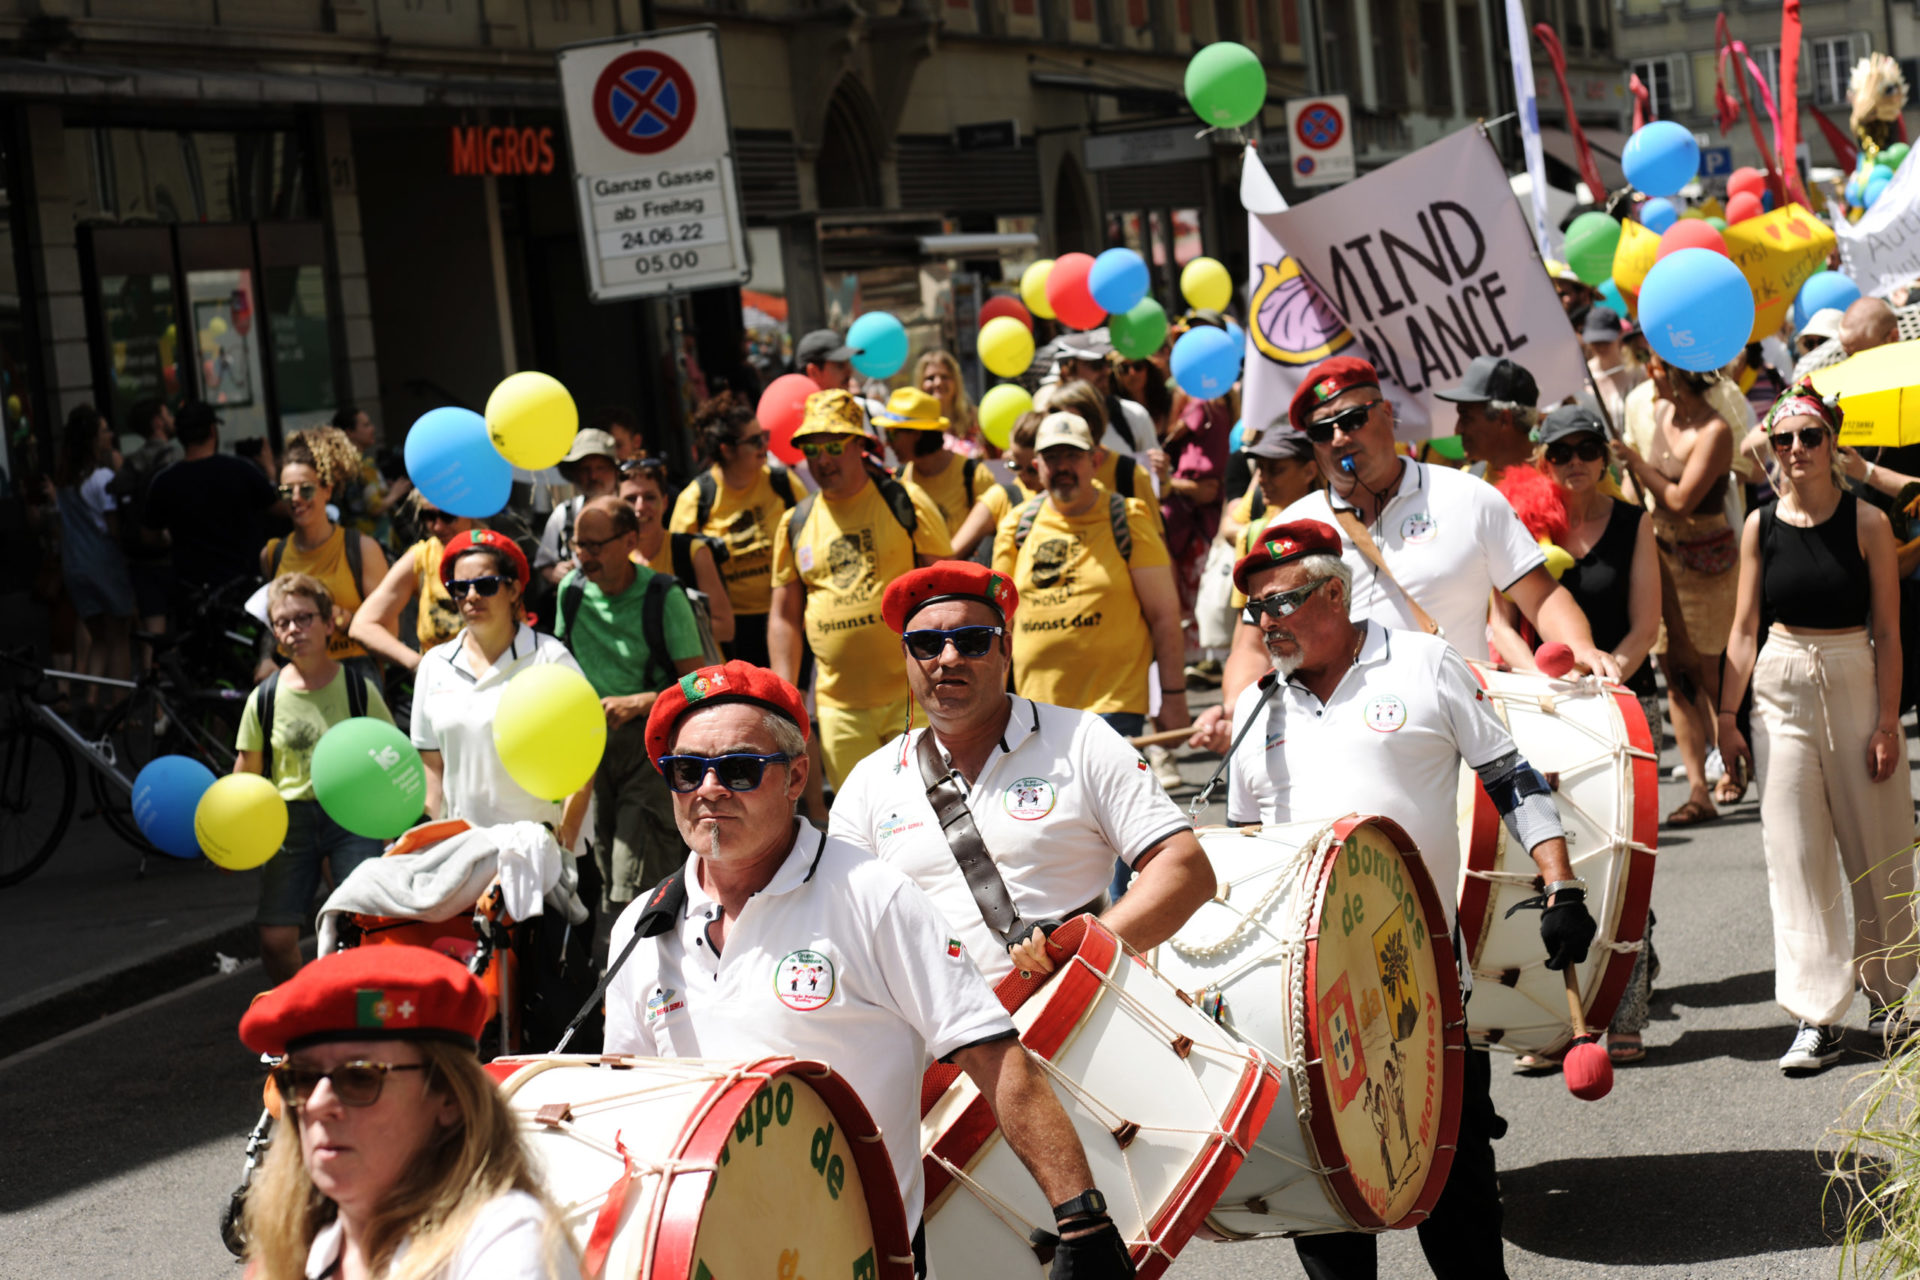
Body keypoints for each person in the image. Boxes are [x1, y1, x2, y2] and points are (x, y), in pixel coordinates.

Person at [603, 663, 1136, 1278]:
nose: (710, 789)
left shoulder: (874, 897)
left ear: (795, 777)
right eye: (686, 770)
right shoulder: (640, 927)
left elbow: (995, 1058)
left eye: (740, 769)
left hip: (855, 1259)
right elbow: (625, 1102)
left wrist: (1082, 1219)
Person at [1224, 519, 1594, 1280]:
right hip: (1312, 998)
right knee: (1327, 1204)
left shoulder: (1424, 663)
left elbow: (1511, 778)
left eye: (1280, 602)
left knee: (1455, 1195)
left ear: (1334, 594)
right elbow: (1242, 853)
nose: (1266, 623)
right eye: (1255, 610)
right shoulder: (1258, 711)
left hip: (1420, 978)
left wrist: (1562, 884)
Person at [1191, 355, 1621, 754]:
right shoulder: (1287, 530)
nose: (1339, 437)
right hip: (1329, 749)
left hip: (1452, 742)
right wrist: (1235, 711)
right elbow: (1252, 646)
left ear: (1386, 413)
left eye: (1352, 419)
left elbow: (1542, 596)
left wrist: (1580, 649)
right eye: (1322, 431)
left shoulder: (1469, 497)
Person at [830, 561, 1214, 982]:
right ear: (906, 656)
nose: (949, 657)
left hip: (1076, 1009)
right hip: (930, 1022)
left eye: (973, 640)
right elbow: (839, 919)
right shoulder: (868, 781)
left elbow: (1184, 868)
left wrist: (1083, 959)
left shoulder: (1082, 740)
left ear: (1006, 649)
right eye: (926, 644)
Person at [1717, 384, 1915, 1073]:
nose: (1797, 449)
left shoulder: (1869, 523)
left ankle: (1889, 998)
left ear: (1833, 443)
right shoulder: (1759, 525)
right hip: (1780, 684)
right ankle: (1817, 1016)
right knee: (1795, 852)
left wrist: (1888, 722)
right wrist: (1726, 716)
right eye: (1784, 439)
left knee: (1879, 842)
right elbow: (1744, 629)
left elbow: (1888, 631)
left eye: (1810, 436)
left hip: (1854, 674)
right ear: (1772, 449)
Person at [237, 945, 582, 1280]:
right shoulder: (293, 1251)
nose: (317, 1104)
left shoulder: (504, 1243)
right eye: (302, 1078)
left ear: (450, 1097)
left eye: (359, 1077)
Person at [1535, 404, 1663, 1065]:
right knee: (1556, 865)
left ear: (1604, 457)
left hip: (1624, 705)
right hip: (1547, 711)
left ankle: (1627, 1009)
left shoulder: (1635, 523)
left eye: (1588, 448)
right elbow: (1503, 619)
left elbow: (1646, 626)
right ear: (1543, 461)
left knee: (1624, 865)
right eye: (1561, 452)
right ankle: (1557, 1020)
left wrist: (1610, 674)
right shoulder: (1526, 524)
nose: (1576, 461)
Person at [768, 389, 952, 789]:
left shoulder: (906, 502)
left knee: (935, 806)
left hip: (914, 695)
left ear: (859, 445)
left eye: (834, 446)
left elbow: (947, 588)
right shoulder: (795, 522)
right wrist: (786, 693)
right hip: (840, 710)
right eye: (812, 450)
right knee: (859, 818)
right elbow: (784, 615)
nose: (823, 459)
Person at [555, 497, 707, 945]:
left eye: (595, 546)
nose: (584, 556)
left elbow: (698, 685)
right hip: (588, 749)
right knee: (602, 863)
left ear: (629, 541)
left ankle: (642, 961)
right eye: (577, 545)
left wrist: (641, 702)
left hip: (649, 746)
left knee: (635, 867)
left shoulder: (664, 595)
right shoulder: (572, 592)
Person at [235, 572, 396, 984]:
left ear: (328, 624)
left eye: (304, 618)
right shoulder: (264, 697)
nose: (294, 629)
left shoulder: (358, 689)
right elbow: (245, 776)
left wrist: (391, 830)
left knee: (362, 924)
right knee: (275, 939)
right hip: (289, 823)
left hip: (352, 819)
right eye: (283, 622)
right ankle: (304, 1009)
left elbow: (391, 759)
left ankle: (357, 1009)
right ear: (275, 634)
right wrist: (234, 838)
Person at [992, 411, 1188, 737]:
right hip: (1035, 710)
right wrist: (990, 707)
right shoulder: (1016, 525)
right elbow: (999, 622)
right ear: (1037, 465)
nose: (1062, 467)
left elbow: (1165, 616)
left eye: (1073, 455)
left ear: (1095, 461)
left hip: (1114, 706)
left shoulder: (1128, 518)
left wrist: (1173, 696)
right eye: (1052, 458)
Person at [1615, 355, 1740, 824]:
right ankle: (1697, 790)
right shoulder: (1661, 412)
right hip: (1660, 555)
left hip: (1707, 562)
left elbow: (1681, 499)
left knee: (1711, 673)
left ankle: (1734, 763)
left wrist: (1634, 461)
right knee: (1675, 675)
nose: (1648, 374)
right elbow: (1648, 495)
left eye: (1655, 366)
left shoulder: (1715, 430)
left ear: (1678, 374)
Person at [410, 528, 592, 846]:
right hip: (463, 849)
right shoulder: (433, 664)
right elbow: (431, 767)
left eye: (486, 585)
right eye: (459, 588)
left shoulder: (551, 659)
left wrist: (564, 843)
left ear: (514, 590)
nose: (471, 596)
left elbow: (583, 761)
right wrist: (426, 840)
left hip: (539, 849)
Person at [668, 391, 800, 666]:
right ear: (726, 450)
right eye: (753, 441)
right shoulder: (696, 499)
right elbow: (677, 569)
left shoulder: (783, 483)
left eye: (763, 436)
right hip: (732, 632)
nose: (763, 446)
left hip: (788, 615)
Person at [262, 428, 389, 683]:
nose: (296, 499)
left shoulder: (361, 549)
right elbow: (271, 623)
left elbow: (388, 635)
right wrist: (265, 658)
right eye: (286, 491)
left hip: (352, 675)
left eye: (306, 490)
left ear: (327, 490)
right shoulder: (273, 553)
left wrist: (336, 616)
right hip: (296, 678)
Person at [143, 401, 281, 605]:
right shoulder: (242, 470)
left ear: (180, 436)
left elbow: (149, 536)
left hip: (193, 592)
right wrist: (271, 473)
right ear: (212, 431)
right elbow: (280, 508)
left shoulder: (163, 482)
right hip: (245, 588)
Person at [51, 404, 136, 715]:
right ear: (91, 440)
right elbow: (113, 528)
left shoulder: (64, 483)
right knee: (119, 639)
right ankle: (120, 710)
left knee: (99, 637)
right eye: (103, 431)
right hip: (104, 564)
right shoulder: (102, 478)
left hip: (75, 566)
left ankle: (91, 699)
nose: (109, 435)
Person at [349, 495, 476, 674]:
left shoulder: (497, 552)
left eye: (448, 516)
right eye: (428, 516)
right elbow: (362, 626)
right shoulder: (421, 557)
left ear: (470, 510)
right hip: (443, 684)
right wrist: (420, 666)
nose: (438, 526)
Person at [620, 456, 735, 645]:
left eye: (650, 497)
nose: (640, 507)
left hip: (697, 665)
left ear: (665, 502)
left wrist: (660, 629)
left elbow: (725, 628)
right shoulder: (617, 559)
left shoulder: (693, 552)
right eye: (630, 499)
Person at [877, 386, 998, 536]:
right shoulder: (898, 478)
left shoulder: (975, 475)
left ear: (917, 433)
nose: (887, 443)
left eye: (892, 434)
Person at [110, 397, 181, 647]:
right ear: (157, 422)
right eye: (167, 414)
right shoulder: (173, 456)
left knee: (153, 629)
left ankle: (153, 669)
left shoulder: (131, 462)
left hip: (141, 558)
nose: (172, 419)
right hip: (171, 554)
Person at [950, 411, 1044, 560]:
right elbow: (952, 555)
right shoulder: (1000, 497)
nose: (1023, 476)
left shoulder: (1069, 500)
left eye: (1033, 470)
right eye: (1015, 465)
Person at [535, 428, 621, 587]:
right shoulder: (564, 514)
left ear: (615, 471)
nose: (593, 476)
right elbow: (543, 564)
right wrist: (555, 572)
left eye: (600, 468)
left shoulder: (632, 509)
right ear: (575, 474)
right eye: (585, 469)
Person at [1438, 354, 1540, 484]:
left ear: (1504, 420)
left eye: (1466, 418)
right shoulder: (1468, 482)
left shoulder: (1558, 480)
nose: (1457, 430)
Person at [332, 405, 412, 547]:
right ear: (350, 432)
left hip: (353, 541)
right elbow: (374, 507)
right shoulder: (364, 465)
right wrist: (395, 493)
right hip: (375, 541)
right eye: (366, 425)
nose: (372, 429)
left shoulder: (338, 465)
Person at [1582, 306, 1646, 428]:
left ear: (1620, 334)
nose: (1601, 347)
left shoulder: (1637, 371)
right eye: (1595, 342)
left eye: (1606, 341)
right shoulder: (1585, 374)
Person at [918, 349, 984, 456]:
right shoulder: (915, 427)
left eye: (944, 377)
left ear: (956, 381)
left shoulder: (976, 420)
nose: (938, 383)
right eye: (930, 378)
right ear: (920, 383)